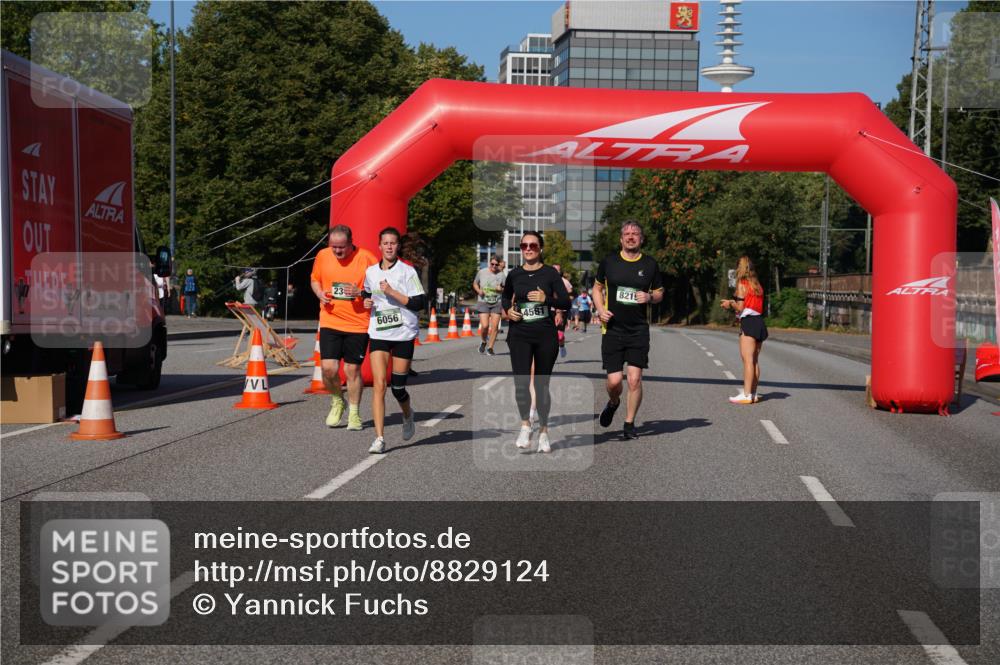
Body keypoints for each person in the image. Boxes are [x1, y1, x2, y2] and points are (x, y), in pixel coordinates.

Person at [592, 221, 664, 440]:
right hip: (612, 329)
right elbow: (597, 288)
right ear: (621, 239)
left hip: (638, 330)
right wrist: (600, 309)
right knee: (614, 382)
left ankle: (629, 423)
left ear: (641, 239)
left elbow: (660, 292)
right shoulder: (609, 262)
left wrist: (650, 297)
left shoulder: (650, 264)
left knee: (634, 380)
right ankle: (614, 402)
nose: (631, 237)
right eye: (627, 234)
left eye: (635, 234)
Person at [501, 231, 571, 453]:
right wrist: (508, 310)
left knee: (541, 385)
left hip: (544, 335)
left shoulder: (550, 274)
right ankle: (525, 425)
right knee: (521, 382)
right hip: (519, 333)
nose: (528, 249)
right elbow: (505, 297)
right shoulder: (514, 274)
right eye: (524, 246)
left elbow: (566, 302)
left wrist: (546, 299)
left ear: (540, 248)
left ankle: (544, 432)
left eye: (533, 245)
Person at [362, 227, 426, 453]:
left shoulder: (407, 272)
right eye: (385, 243)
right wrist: (366, 302)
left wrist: (391, 292)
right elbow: (367, 294)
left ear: (398, 246)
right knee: (379, 385)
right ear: (379, 246)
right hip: (379, 332)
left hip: (403, 334)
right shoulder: (370, 272)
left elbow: (419, 303)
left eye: (393, 243)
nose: (389, 246)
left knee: (398, 388)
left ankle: (408, 415)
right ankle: (379, 438)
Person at [310, 225, 378, 431]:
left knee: (351, 370)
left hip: (358, 323)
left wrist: (361, 292)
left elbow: (381, 287)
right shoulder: (322, 255)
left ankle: (355, 414)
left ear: (351, 243)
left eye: (342, 247)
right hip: (330, 320)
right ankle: (338, 400)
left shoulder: (366, 258)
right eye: (334, 247)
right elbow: (314, 280)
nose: (337, 251)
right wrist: (319, 293)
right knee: (329, 369)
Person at [720, 256, 768, 404]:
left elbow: (740, 307)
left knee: (747, 361)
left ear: (740, 268)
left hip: (748, 322)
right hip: (760, 322)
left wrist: (730, 303)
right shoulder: (757, 285)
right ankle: (753, 393)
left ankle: (746, 394)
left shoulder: (742, 284)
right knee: (754, 361)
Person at [473, 254, 505, 356]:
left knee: (495, 327)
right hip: (483, 302)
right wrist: (479, 291)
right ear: (489, 263)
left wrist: (501, 289)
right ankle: (483, 341)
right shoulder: (482, 272)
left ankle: (490, 348)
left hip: (497, 302)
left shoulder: (502, 275)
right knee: (485, 325)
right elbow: (475, 283)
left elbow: (506, 289)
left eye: (496, 264)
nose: (494, 266)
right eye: (492, 264)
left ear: (499, 264)